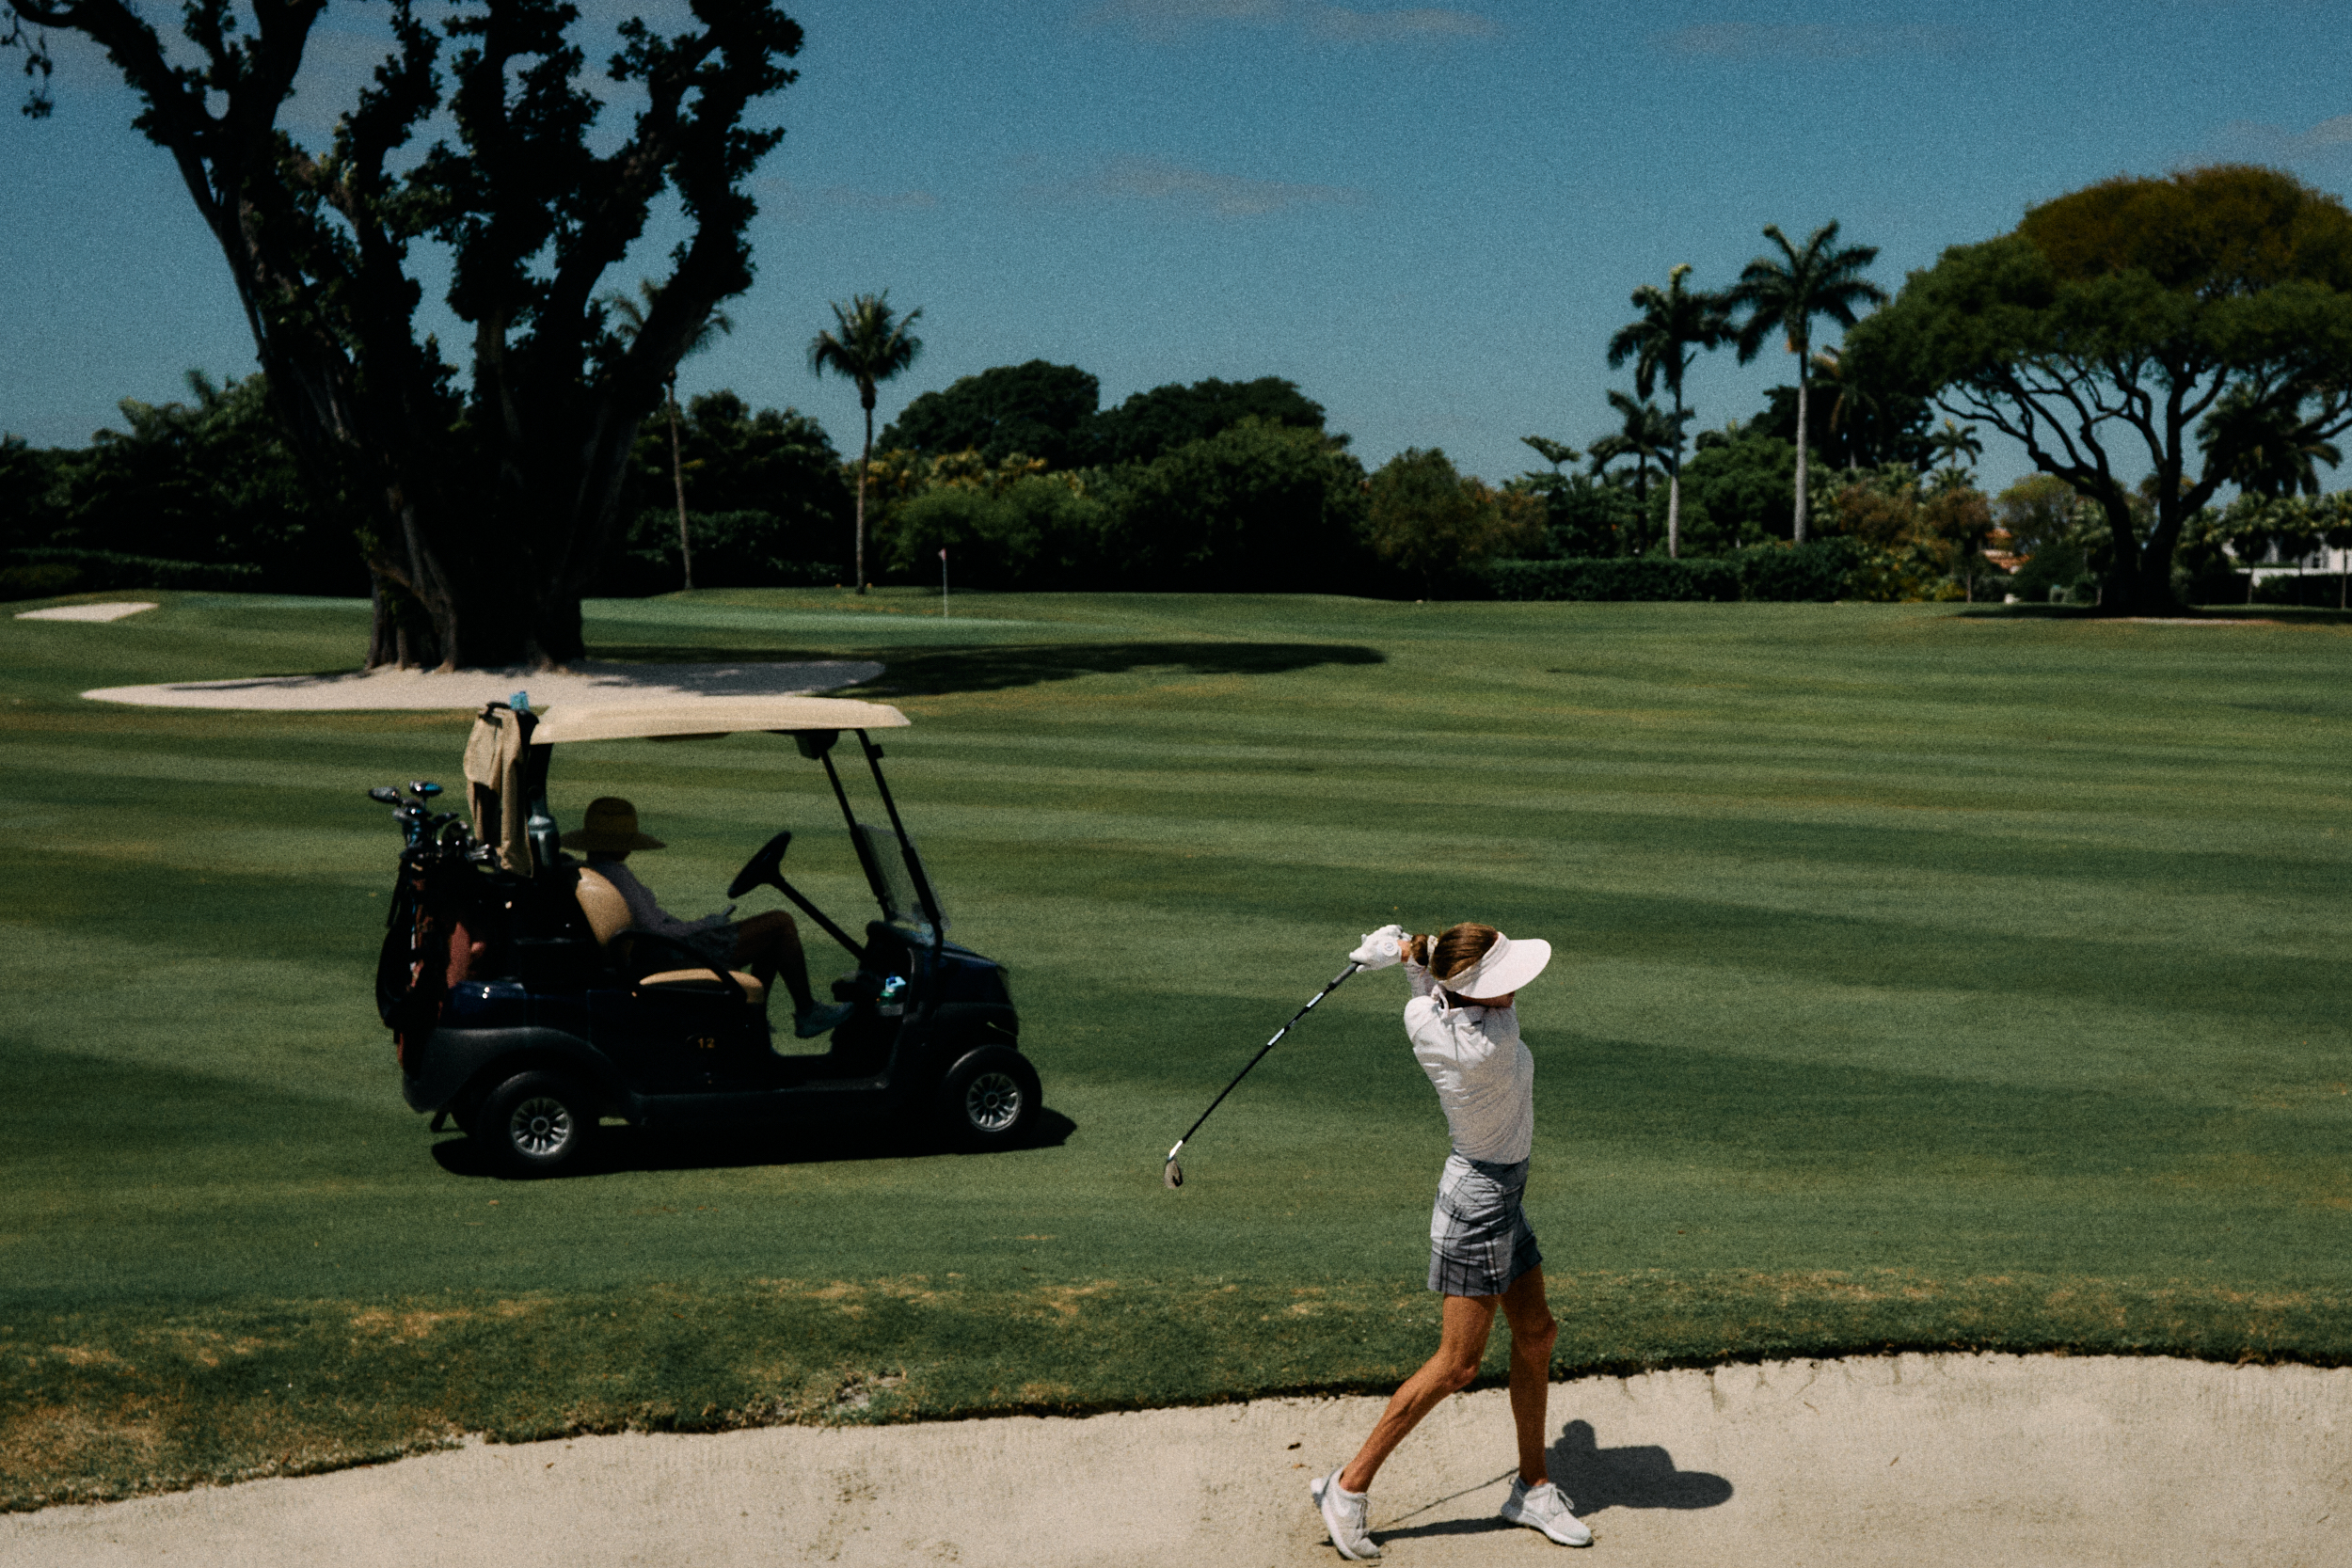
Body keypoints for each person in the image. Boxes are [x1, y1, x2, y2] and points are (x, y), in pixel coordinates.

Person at [1311, 921, 1590, 1559]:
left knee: (1537, 1332)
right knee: (1458, 1364)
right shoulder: (1488, 1044)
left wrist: (1402, 952)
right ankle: (1347, 1488)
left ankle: (1532, 1485)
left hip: (1502, 1194)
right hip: (1477, 1204)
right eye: (1500, 983)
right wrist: (1409, 953)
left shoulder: (1428, 1019)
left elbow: (1430, 989)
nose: (1514, 991)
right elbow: (1437, 985)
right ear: (1469, 995)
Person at [561, 797, 852, 1039]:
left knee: (773, 933)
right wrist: (705, 925)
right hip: (670, 952)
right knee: (780, 923)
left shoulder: (601, 871)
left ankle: (754, 1023)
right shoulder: (617, 876)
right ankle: (806, 1012)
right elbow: (655, 929)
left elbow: (657, 923)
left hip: (663, 947)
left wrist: (699, 924)